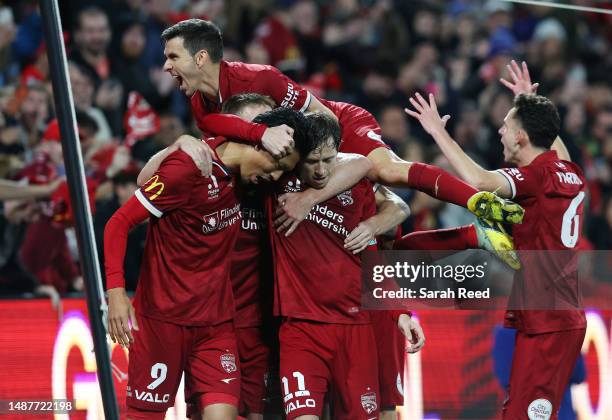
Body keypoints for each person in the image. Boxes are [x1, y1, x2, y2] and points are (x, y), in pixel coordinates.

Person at [158, 19, 525, 231]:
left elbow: (324, 118)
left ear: (201, 57)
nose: (166, 67)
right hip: (294, 154)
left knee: (385, 172)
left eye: (173, 56)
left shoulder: (261, 79)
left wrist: (317, 172)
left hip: (336, 126)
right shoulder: (198, 104)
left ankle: (477, 201)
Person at [405, 60, 586, 420]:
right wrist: (527, 102)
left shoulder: (534, 178)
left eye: (506, 126)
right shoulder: (569, 172)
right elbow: (553, 148)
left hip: (550, 320)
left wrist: (437, 132)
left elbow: (481, 181)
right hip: (554, 316)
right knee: (518, 411)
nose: (500, 132)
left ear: (520, 137)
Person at [104, 108, 310, 420]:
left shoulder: (249, 181)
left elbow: (212, 123)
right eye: (277, 164)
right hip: (163, 320)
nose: (276, 177)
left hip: (216, 324)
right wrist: (116, 293)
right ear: (259, 143)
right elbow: (118, 223)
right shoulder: (189, 168)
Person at [269, 112, 425, 420]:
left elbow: (372, 261)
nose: (321, 169)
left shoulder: (357, 189)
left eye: (329, 159)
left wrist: (401, 313)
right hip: (302, 329)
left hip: (355, 330)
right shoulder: (280, 184)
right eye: (313, 160)